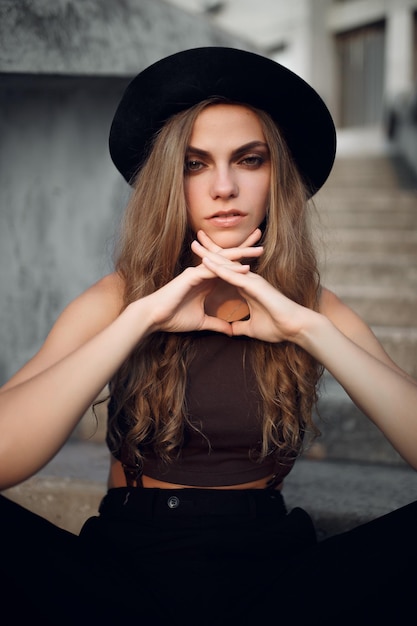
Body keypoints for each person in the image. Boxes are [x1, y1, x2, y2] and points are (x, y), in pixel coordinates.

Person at [0, 47, 416, 625]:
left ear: (277, 178)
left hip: (274, 577)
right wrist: (140, 319)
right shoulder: (118, 297)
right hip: (126, 571)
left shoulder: (315, 309)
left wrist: (305, 327)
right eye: (195, 164)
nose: (223, 186)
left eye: (249, 160)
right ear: (171, 181)